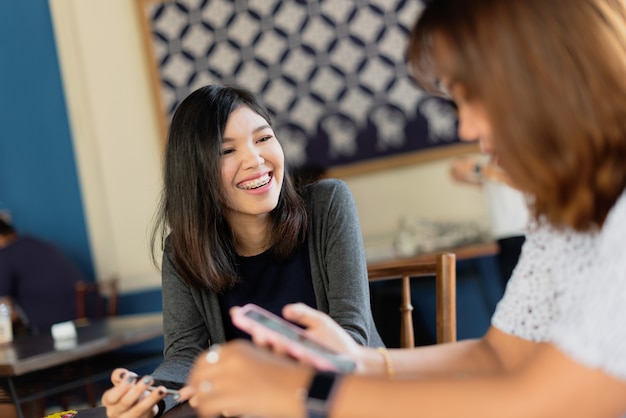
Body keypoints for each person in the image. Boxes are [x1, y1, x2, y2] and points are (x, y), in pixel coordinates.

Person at [175, 1, 626, 417]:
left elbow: (529, 401)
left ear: (547, 77)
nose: (465, 125)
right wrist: (363, 362)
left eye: (472, 97)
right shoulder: (568, 220)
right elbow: (498, 355)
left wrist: (300, 390)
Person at [101, 84, 383, 417]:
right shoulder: (182, 250)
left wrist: (265, 382)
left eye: (263, 139)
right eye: (226, 151)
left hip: (348, 401)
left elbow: (351, 335)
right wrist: (150, 396)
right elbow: (184, 355)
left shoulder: (328, 204)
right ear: (196, 173)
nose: (255, 159)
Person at [450, 156, 529, 288]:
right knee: (512, 286)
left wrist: (474, 168)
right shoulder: (489, 162)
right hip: (504, 236)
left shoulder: (509, 156)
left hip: (518, 233)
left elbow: (504, 178)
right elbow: (490, 185)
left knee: (522, 286)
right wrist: (464, 178)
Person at [0, 218, 83, 333]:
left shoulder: (5, 255)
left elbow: (4, 310)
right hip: (84, 317)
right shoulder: (37, 244)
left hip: (52, 330)